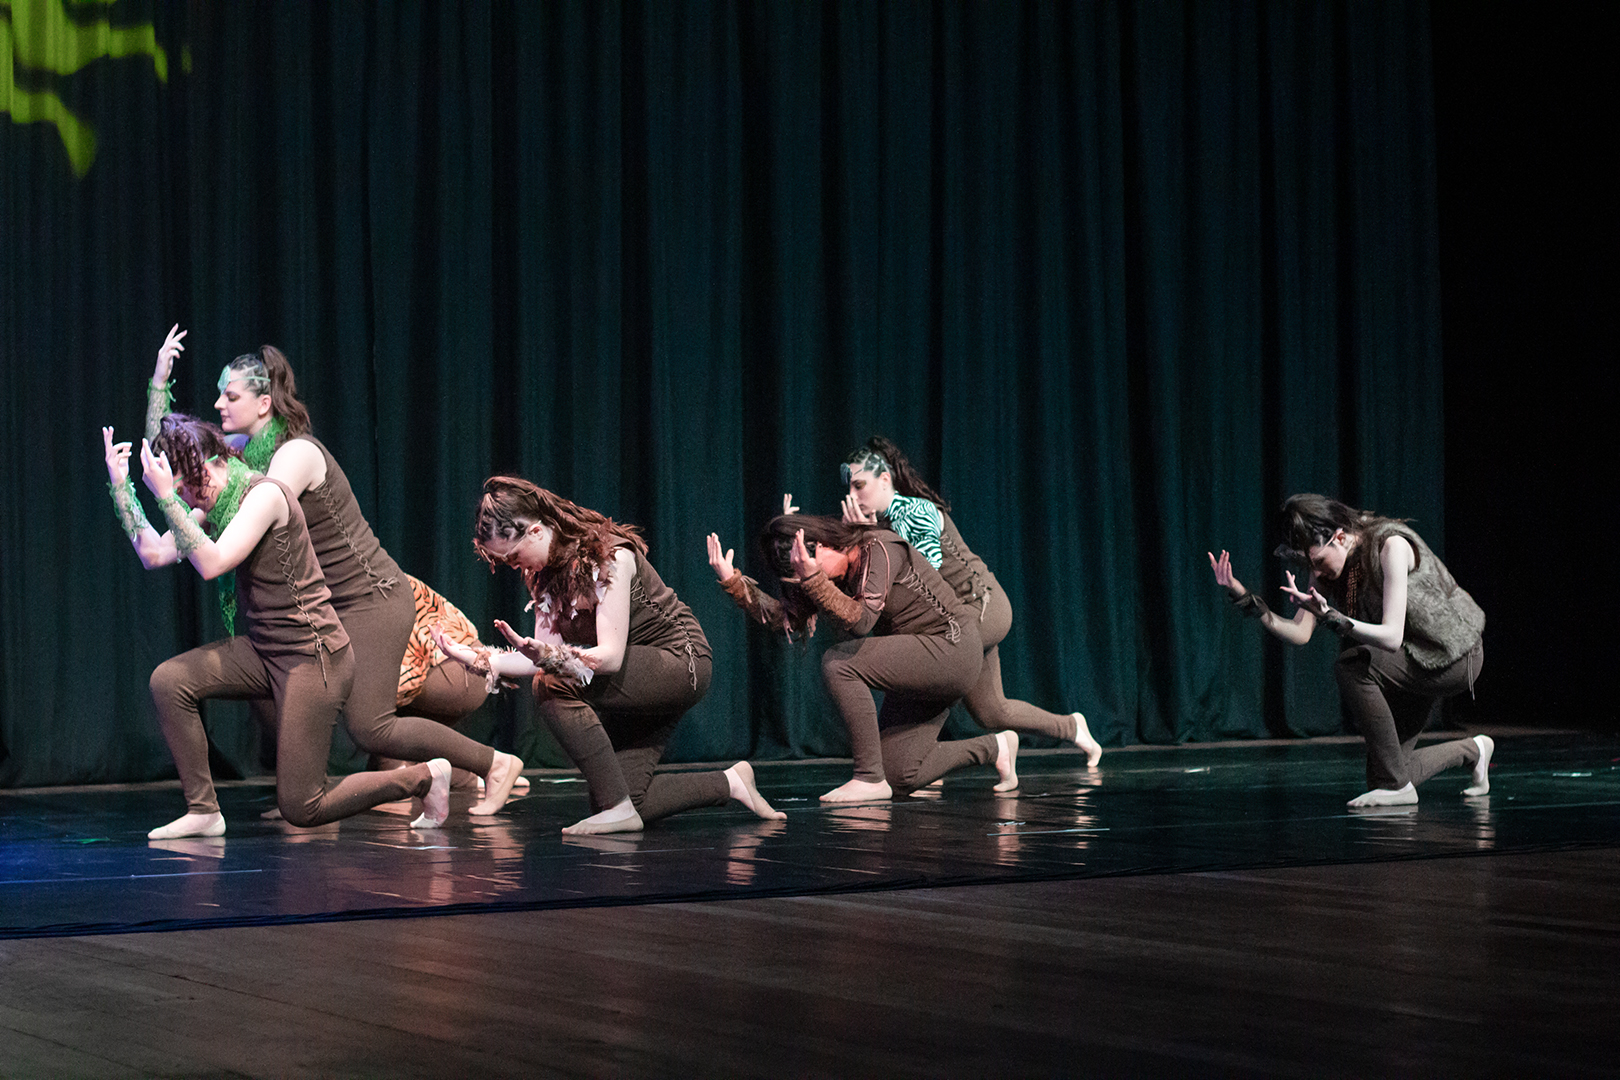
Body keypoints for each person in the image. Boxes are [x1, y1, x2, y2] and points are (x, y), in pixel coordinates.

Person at [139, 327, 523, 833]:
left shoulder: (291, 457)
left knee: (372, 726)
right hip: (322, 606)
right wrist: (158, 387)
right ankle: (301, 790)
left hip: (368, 598)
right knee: (268, 693)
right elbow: (179, 455)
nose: (218, 405)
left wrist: (177, 508)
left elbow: (232, 510)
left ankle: (493, 763)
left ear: (264, 403)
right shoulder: (242, 453)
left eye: (230, 396)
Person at [103, 416, 451, 837]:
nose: (187, 499)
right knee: (169, 681)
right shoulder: (217, 503)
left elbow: (212, 563)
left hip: (313, 657)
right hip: (266, 650)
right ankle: (204, 811)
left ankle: (423, 777)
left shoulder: (264, 495)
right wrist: (122, 488)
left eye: (185, 488)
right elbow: (154, 553)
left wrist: (166, 498)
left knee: (301, 807)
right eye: (179, 492)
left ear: (208, 465)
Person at [434, 476, 783, 835]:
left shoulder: (609, 557)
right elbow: (538, 656)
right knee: (625, 798)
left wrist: (548, 656)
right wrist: (477, 658)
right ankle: (730, 782)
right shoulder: (543, 577)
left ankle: (618, 809)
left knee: (551, 684)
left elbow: (609, 658)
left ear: (535, 532)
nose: (513, 566)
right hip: (635, 674)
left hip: (680, 662)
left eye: (512, 556)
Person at [707, 513, 1016, 803]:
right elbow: (787, 620)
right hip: (922, 661)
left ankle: (868, 778)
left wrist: (814, 579)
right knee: (900, 775)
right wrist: (734, 583)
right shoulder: (830, 574)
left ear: (823, 545)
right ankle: (995, 747)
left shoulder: (878, 547)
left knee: (839, 662)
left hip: (953, 647)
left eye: (810, 568)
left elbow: (862, 621)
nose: (812, 577)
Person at [1209, 494, 1491, 808]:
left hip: (1454, 657)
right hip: (1414, 658)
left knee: (1353, 666)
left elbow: (1391, 637)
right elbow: (1300, 633)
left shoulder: (1391, 546)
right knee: (1388, 773)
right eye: (1310, 565)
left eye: (1318, 562)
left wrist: (1333, 617)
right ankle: (1474, 751)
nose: (1316, 572)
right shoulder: (1330, 563)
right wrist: (1246, 598)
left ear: (1340, 537)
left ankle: (1398, 788)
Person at [837, 437, 1101, 767]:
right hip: (956, 618)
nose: (853, 496)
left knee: (936, 664)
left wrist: (869, 535)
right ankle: (1072, 727)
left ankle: (915, 758)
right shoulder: (884, 525)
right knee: (991, 711)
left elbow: (925, 573)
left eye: (860, 485)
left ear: (885, 479)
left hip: (982, 607)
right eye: (850, 488)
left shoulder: (916, 510)